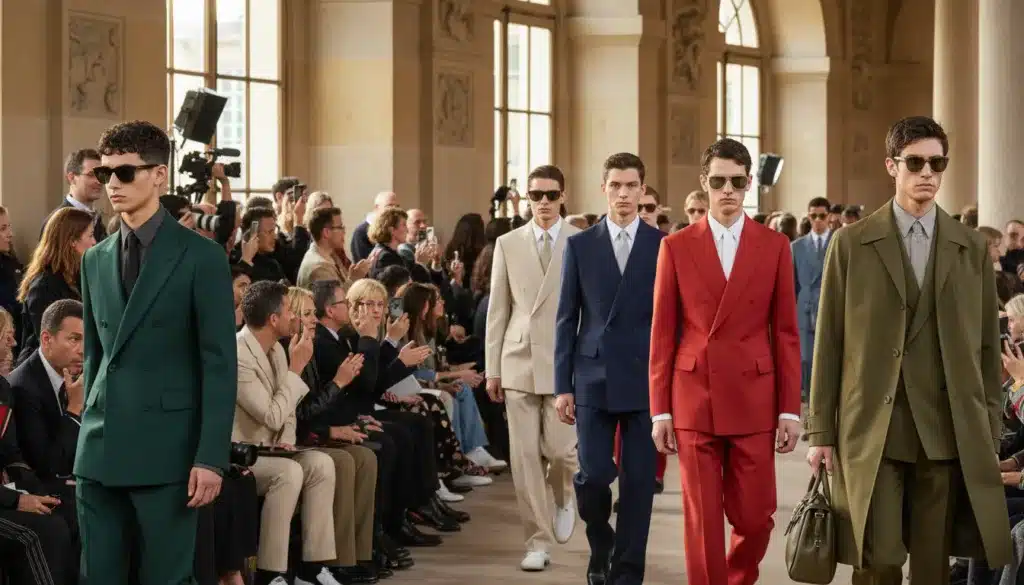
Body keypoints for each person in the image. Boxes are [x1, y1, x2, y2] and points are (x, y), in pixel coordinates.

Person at [806, 116, 1013, 584]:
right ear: (891, 166)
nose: (927, 172)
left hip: (944, 427)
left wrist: (990, 420)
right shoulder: (851, 243)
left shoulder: (970, 248)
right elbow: (830, 341)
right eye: (915, 161)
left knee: (932, 566)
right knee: (875, 562)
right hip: (872, 426)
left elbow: (986, 342)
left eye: (937, 162)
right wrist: (821, 431)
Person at [75, 120, 237, 585]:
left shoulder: (202, 258)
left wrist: (210, 458)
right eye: (106, 174)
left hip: (170, 453)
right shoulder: (94, 258)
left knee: (165, 580)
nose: (112, 185)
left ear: (159, 176)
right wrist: (88, 425)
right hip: (100, 451)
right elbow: (94, 356)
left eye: (125, 173)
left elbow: (219, 365)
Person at [649, 138, 801, 585]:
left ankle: (737, 578)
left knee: (755, 519)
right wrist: (660, 409)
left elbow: (787, 334)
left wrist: (789, 409)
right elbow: (662, 334)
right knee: (701, 523)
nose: (728, 190)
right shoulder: (675, 247)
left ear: (750, 183)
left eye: (737, 181)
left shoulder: (774, 246)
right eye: (718, 182)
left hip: (754, 396)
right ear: (704, 184)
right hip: (694, 395)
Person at [554, 153, 665, 585]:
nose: (623, 194)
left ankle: (626, 574)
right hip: (592, 378)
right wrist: (562, 386)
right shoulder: (580, 245)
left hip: (644, 380)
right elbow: (567, 318)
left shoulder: (662, 245)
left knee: (639, 486)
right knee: (595, 473)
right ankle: (600, 540)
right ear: (604, 189)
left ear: (643, 191)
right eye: (615, 185)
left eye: (631, 186)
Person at [485, 164, 581, 572]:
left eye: (551, 195)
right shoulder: (508, 243)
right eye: (536, 195)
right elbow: (497, 309)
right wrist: (492, 368)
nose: (543, 202)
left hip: (564, 360)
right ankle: (536, 541)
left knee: (561, 452)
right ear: (527, 198)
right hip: (519, 358)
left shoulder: (581, 241)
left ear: (563, 197)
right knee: (523, 458)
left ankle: (563, 496)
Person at [791, 196, 832, 402]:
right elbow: (791, 285)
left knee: (827, 360)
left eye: (822, 216)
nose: (817, 220)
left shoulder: (839, 242)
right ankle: (810, 410)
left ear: (829, 217)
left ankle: (826, 409)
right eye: (813, 216)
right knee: (806, 360)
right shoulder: (796, 247)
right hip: (805, 309)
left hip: (830, 307)